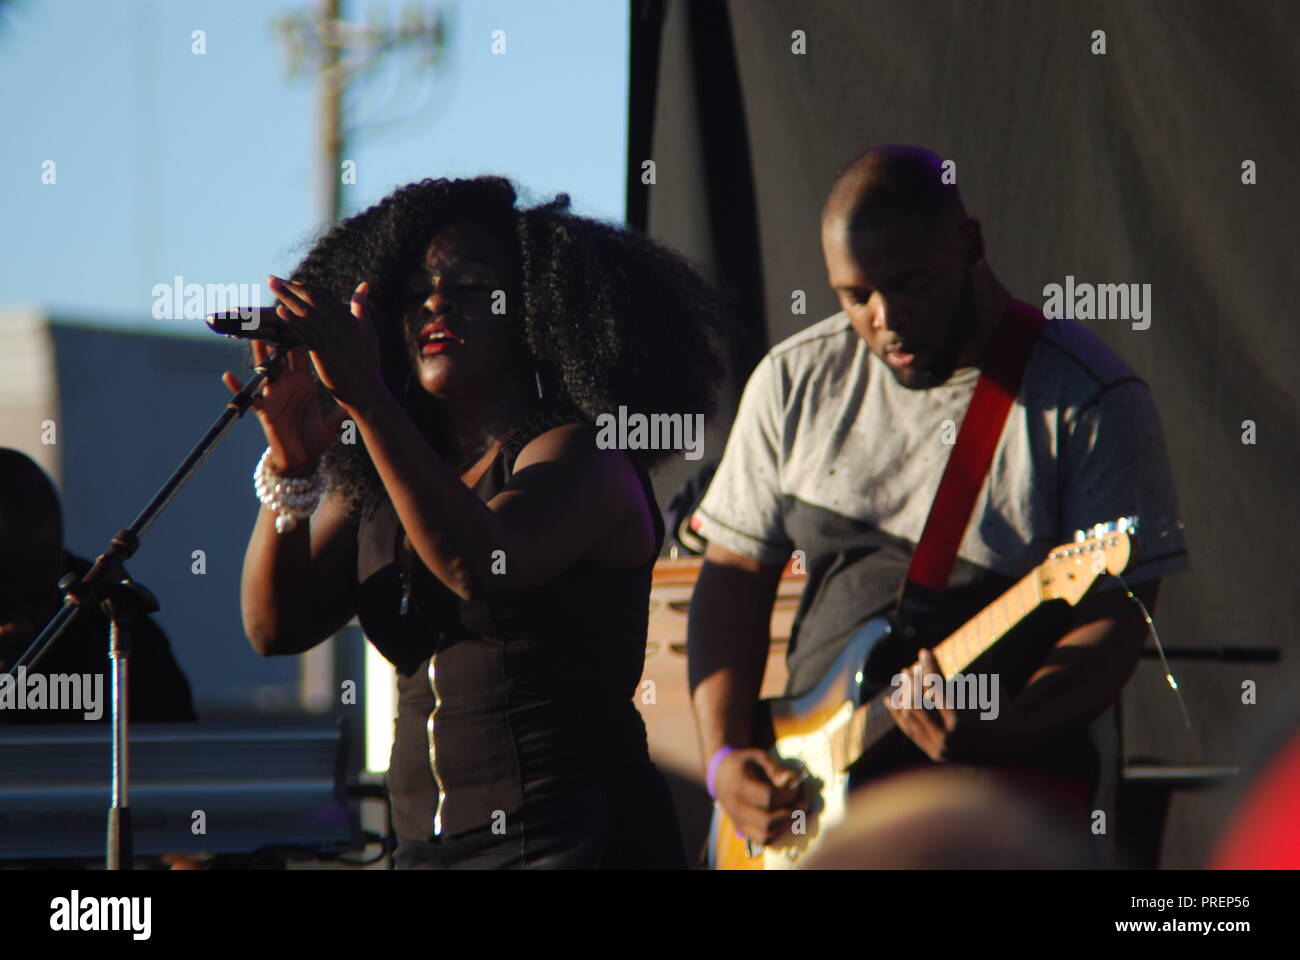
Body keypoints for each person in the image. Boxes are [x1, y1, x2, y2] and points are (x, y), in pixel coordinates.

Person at [687, 145, 1188, 855]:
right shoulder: (793, 380)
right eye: (855, 295)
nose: (885, 317)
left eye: (912, 282)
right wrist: (722, 759)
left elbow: (1116, 615)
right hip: (821, 813)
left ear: (970, 244)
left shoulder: (1090, 398)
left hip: (1007, 818)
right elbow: (732, 576)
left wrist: (1018, 721)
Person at [224, 175, 727, 869]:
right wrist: (291, 462)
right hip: (422, 848)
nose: (434, 302)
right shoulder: (384, 473)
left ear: (536, 310)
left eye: (470, 285)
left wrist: (367, 397)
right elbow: (273, 627)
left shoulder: (584, 454)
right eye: (413, 294)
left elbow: (479, 564)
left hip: (567, 840)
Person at [0, 448, 196, 724]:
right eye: (3, 607)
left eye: (38, 601)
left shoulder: (113, 620)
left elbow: (175, 751)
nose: (19, 625)